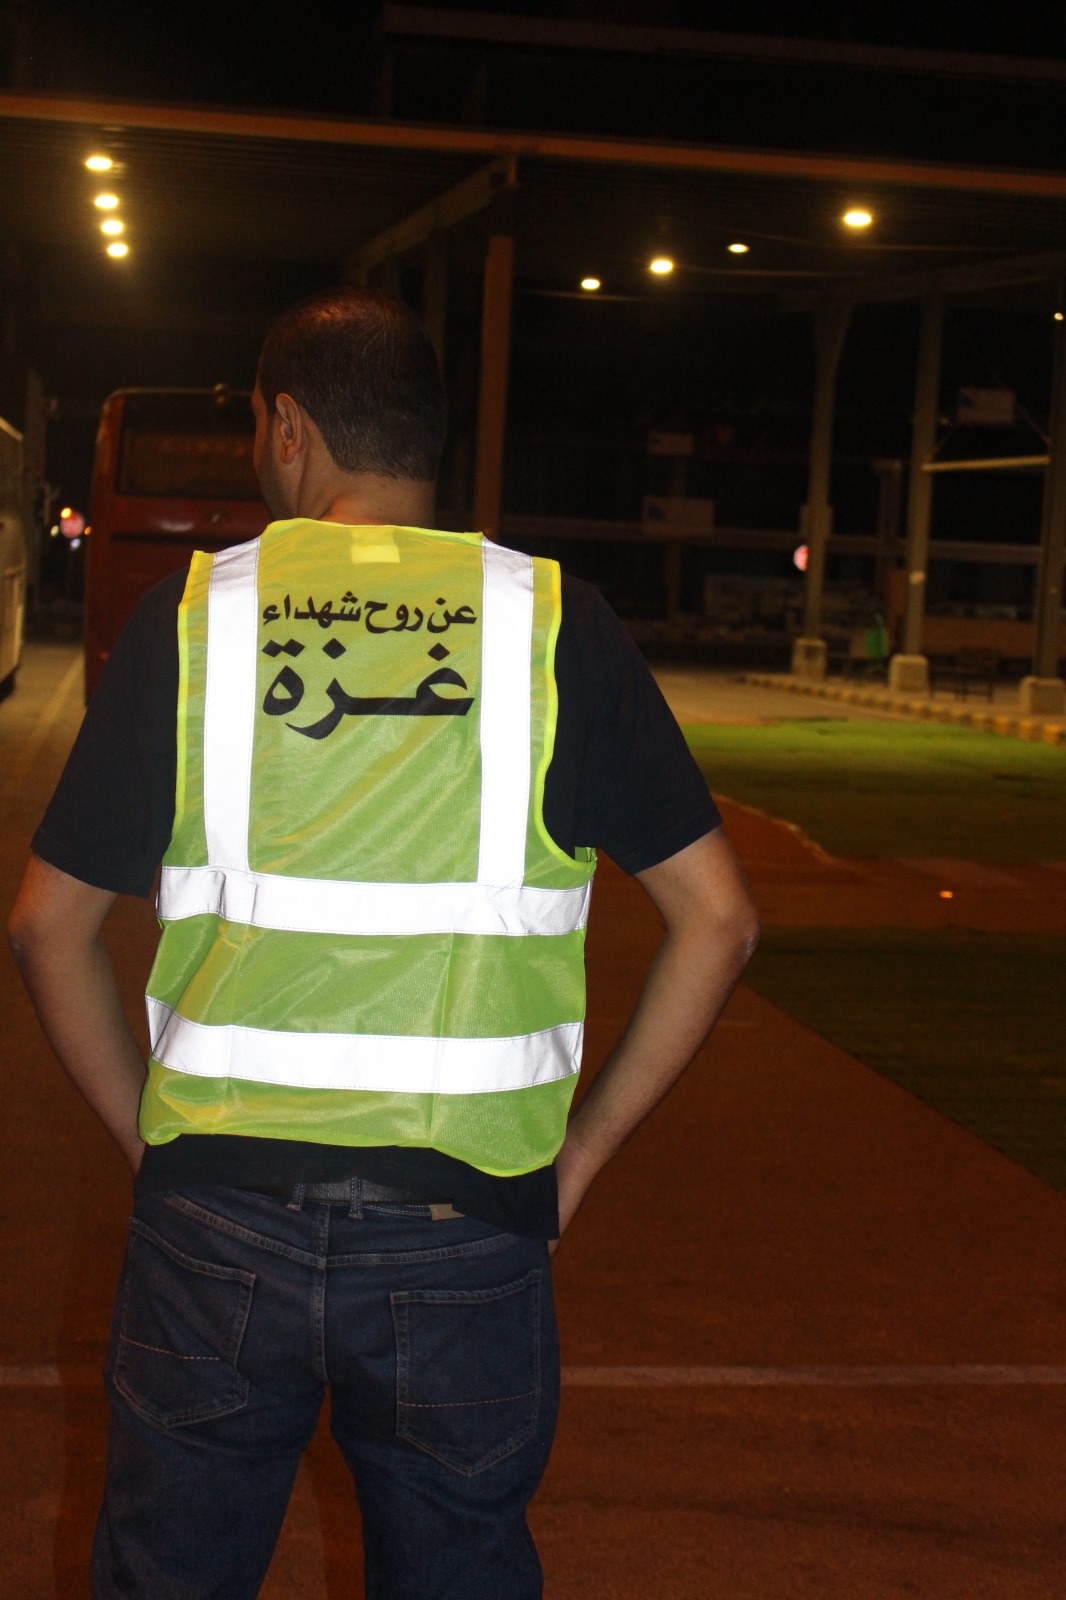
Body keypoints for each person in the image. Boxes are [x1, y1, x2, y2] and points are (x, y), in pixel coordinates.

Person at [8, 286, 759, 1600]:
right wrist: (574, 1160)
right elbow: (721, 921)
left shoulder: (196, 620)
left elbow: (45, 929)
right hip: (464, 1229)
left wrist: (158, 1147)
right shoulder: (552, 624)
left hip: (216, 1220)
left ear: (288, 428)